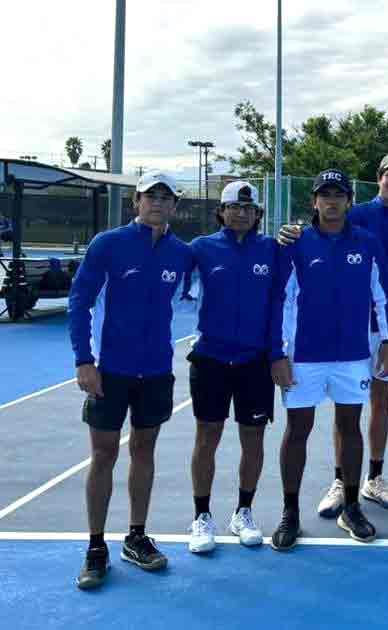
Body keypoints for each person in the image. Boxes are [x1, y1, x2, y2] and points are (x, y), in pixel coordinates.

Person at [69, 171, 193, 590]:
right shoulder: (109, 245)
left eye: (166, 197)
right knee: (104, 455)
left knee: (144, 449)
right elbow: (79, 301)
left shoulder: (181, 254)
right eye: (150, 196)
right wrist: (85, 360)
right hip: (110, 372)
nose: (158, 202)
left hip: (156, 370)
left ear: (175, 206)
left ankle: (136, 537)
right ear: (136, 202)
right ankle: (96, 547)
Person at [280, 154, 388, 516]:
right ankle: (342, 482)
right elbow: (312, 238)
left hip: (386, 328)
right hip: (345, 333)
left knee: (378, 404)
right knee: (343, 415)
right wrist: (288, 231)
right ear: (378, 179)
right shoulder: (354, 218)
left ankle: (374, 478)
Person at [270, 169, 388, 549]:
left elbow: (381, 296)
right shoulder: (296, 243)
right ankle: (289, 513)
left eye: (338, 194)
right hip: (305, 357)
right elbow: (283, 301)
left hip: (353, 356)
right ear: (314, 202)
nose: (331, 200)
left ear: (349, 201)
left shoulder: (368, 243)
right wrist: (279, 352)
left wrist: (386, 340)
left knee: (350, 427)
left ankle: (352, 507)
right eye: (324, 194)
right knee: (297, 430)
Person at [184, 181, 283, 553]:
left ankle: (244, 510)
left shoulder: (271, 249)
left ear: (257, 214)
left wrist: (276, 353)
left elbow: (280, 301)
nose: (240, 213)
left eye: (248, 208)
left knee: (253, 437)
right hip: (210, 358)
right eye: (233, 207)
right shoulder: (201, 249)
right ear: (221, 212)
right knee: (206, 436)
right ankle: (201, 515)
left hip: (254, 362)